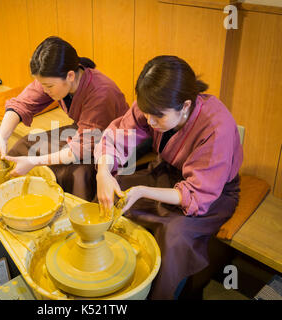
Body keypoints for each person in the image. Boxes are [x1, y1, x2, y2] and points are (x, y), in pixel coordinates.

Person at [95, 55, 243, 299]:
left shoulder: (217, 127)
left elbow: (196, 193)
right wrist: (102, 171)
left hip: (212, 193)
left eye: (158, 117)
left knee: (174, 237)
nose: (150, 122)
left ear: (185, 106)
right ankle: (109, 276)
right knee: (114, 194)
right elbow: (119, 135)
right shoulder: (154, 104)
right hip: (168, 171)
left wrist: (142, 191)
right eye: (146, 114)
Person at [0, 36, 129, 201]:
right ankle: (16, 199)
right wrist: (2, 136)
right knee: (24, 145)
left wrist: (33, 161)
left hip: (113, 144)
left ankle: (67, 215)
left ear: (70, 76)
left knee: (74, 173)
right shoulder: (53, 78)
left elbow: (82, 148)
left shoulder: (101, 92)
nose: (44, 90)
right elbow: (23, 103)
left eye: (49, 86)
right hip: (84, 133)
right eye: (42, 84)